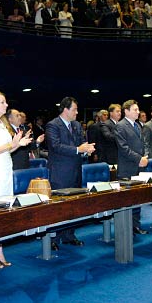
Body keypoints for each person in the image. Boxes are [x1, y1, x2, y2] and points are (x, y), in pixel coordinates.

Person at [0, 91, 32, 268]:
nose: (6, 105)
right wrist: (11, 144)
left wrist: (18, 143)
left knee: (4, 213)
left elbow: (6, 150)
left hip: (5, 170)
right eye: (2, 102)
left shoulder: (2, 125)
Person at [46, 97, 95, 250]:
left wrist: (86, 150)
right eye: (74, 109)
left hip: (75, 170)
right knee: (58, 207)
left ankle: (69, 235)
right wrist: (78, 150)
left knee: (73, 205)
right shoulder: (52, 125)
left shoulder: (76, 125)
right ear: (65, 110)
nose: (77, 112)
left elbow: (81, 144)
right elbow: (55, 146)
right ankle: (53, 238)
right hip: (60, 172)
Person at [114, 99, 149, 235]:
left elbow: (144, 144)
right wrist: (139, 158)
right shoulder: (120, 126)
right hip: (127, 168)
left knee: (137, 198)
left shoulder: (138, 126)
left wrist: (145, 156)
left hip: (139, 167)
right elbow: (123, 148)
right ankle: (125, 229)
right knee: (127, 201)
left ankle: (135, 225)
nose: (138, 112)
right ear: (126, 111)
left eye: (138, 109)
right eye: (135, 109)